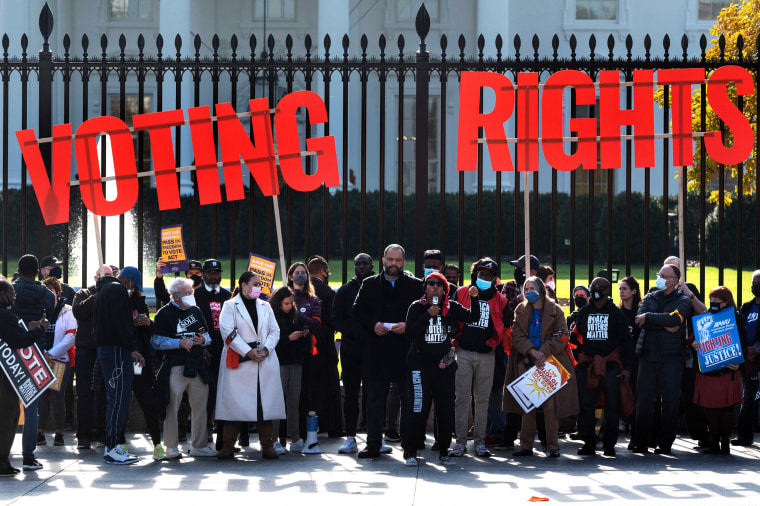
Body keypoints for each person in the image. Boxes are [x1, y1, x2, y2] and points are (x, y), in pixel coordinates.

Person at [353, 244, 423, 459]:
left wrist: (408, 326)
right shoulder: (369, 284)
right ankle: (373, 444)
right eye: (390, 260)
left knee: (409, 399)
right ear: (383, 261)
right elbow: (357, 311)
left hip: (405, 351)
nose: (394, 264)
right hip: (377, 350)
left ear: (404, 262)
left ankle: (409, 446)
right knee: (373, 398)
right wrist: (373, 324)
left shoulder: (415, 285)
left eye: (398, 260)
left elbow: (425, 314)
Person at [404, 272, 481, 466]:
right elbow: (410, 332)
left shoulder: (451, 307)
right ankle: (411, 451)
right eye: (431, 284)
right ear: (425, 288)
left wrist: (475, 298)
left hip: (444, 366)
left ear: (445, 289)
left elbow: (473, 317)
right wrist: (426, 316)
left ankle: (444, 451)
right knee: (418, 406)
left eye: (439, 284)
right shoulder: (416, 306)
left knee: (445, 408)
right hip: (419, 366)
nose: (435, 287)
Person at [504, 276, 578, 458]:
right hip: (527, 360)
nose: (528, 292)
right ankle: (526, 446)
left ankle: (552, 446)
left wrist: (543, 352)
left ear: (541, 289)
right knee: (527, 406)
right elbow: (516, 335)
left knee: (550, 406)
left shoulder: (555, 309)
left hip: (549, 363)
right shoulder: (520, 309)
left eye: (532, 288)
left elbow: (562, 335)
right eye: (526, 289)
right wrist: (532, 352)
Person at [216, 272, 285, 460]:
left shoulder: (265, 306)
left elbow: (274, 331)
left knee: (264, 403)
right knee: (234, 403)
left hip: (264, 360)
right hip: (240, 361)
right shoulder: (230, 306)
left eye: (260, 284)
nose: (259, 287)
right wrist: (248, 351)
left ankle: (267, 444)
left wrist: (266, 349)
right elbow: (227, 332)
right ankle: (228, 445)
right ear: (244, 285)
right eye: (255, 284)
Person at [151, 277, 216, 460]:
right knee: (172, 406)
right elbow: (156, 341)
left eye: (192, 292)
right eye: (188, 293)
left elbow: (208, 335)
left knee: (200, 406)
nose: (191, 296)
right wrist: (178, 342)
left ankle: (199, 445)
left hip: (197, 365)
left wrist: (203, 340)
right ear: (176, 296)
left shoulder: (196, 311)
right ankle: (171, 446)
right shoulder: (164, 314)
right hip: (175, 365)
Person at [631, 264, 692, 454]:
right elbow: (639, 320)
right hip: (648, 357)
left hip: (671, 359)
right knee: (644, 402)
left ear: (675, 281)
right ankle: (641, 442)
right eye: (660, 274)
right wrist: (661, 321)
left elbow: (675, 320)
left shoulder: (683, 300)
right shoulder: (650, 297)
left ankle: (665, 443)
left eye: (665, 276)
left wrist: (650, 318)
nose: (660, 278)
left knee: (670, 402)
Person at [450, 258, 507, 458]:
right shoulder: (461, 292)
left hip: (487, 354)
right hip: (464, 352)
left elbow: (506, 324)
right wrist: (456, 337)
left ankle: (480, 442)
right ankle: (460, 442)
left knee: (482, 400)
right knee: (462, 398)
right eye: (482, 274)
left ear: (494, 279)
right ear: (475, 274)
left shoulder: (500, 299)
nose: (484, 278)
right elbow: (452, 317)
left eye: (489, 276)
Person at [572, 277, 634, 457]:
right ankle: (589, 443)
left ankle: (609, 445)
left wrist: (627, 369)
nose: (596, 291)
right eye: (594, 287)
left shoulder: (616, 314)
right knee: (587, 406)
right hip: (588, 366)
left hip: (611, 366)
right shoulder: (583, 313)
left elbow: (626, 344)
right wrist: (580, 363)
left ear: (607, 291)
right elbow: (575, 340)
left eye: (600, 288)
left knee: (612, 407)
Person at [92, 267, 146, 464]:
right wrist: (132, 348)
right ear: (129, 281)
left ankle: (111, 446)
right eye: (133, 286)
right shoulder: (117, 290)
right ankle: (113, 447)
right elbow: (120, 323)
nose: (133, 290)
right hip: (116, 350)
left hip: (108, 349)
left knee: (115, 398)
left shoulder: (104, 289)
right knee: (119, 398)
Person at [0, 279, 49, 476]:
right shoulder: (4, 315)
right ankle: (2, 463)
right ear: (2, 294)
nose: (14, 296)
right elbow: (20, 341)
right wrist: (40, 329)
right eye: (11, 293)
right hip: (5, 377)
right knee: (7, 418)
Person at [12, 254, 55, 471]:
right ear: (37, 272)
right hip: (33, 352)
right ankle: (28, 457)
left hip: (9, 352)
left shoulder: (11, 290)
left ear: (19, 271)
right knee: (31, 407)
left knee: (6, 405)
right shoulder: (45, 293)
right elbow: (53, 312)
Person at [693, 287, 747, 455]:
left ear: (727, 302)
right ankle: (714, 443)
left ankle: (725, 443)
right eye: (712, 300)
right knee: (710, 407)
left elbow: (743, 342)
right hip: (709, 371)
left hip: (727, 370)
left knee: (726, 408)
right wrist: (696, 345)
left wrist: (739, 363)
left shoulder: (736, 318)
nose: (714, 303)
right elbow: (700, 340)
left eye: (718, 301)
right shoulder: (704, 319)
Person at [119, 267, 165, 460]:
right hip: (121, 357)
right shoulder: (114, 300)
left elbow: (150, 332)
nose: (130, 288)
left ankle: (157, 443)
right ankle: (119, 442)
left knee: (146, 399)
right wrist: (131, 324)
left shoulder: (140, 302)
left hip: (139, 360)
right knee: (120, 401)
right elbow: (115, 328)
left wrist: (147, 324)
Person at [332, 253, 375, 454]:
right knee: (350, 395)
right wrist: (351, 332)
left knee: (373, 394)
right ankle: (350, 437)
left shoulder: (378, 287)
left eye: (364, 263)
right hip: (350, 350)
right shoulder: (345, 290)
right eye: (357, 264)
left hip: (373, 349)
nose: (361, 267)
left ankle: (375, 437)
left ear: (372, 265)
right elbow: (335, 318)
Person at [72, 265, 113, 450]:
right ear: (95, 277)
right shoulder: (83, 293)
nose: (105, 279)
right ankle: (83, 435)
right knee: (84, 394)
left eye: (110, 276)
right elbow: (79, 312)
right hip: (85, 350)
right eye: (102, 276)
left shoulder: (114, 295)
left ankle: (105, 433)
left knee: (105, 394)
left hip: (105, 349)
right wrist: (97, 294)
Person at [194, 259, 232, 446]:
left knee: (224, 390)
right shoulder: (196, 295)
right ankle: (206, 428)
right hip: (203, 350)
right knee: (205, 391)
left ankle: (223, 432)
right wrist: (201, 348)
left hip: (224, 349)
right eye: (210, 273)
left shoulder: (227, 295)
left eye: (217, 273)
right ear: (203, 274)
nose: (214, 276)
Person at [37, 277, 76, 447]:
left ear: (58, 293)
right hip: (40, 359)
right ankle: (39, 432)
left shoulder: (68, 311)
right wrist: (43, 353)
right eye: (46, 290)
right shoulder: (38, 309)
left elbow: (70, 337)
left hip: (60, 360)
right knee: (42, 397)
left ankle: (59, 433)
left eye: (51, 290)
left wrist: (51, 354)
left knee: (57, 396)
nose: (49, 294)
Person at [270, 286, 310, 455]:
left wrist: (304, 333)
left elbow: (305, 324)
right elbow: (270, 341)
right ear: (278, 303)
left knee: (294, 399)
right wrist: (288, 338)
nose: (289, 306)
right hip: (279, 362)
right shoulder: (271, 317)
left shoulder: (295, 316)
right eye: (286, 303)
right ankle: (273, 438)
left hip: (295, 361)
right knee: (276, 400)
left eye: (291, 303)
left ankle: (295, 436)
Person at [287, 261, 322, 448]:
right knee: (285, 393)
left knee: (303, 393)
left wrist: (298, 315)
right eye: (297, 272)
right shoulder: (283, 296)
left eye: (303, 272)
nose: (300, 275)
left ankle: (301, 433)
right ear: (290, 276)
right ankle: (283, 434)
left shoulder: (313, 300)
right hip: (285, 351)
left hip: (305, 351)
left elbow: (316, 324)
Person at [307, 255, 343, 436]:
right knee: (328, 385)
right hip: (325, 344)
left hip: (305, 344)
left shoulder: (300, 292)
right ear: (322, 271)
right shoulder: (329, 293)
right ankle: (330, 425)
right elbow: (335, 321)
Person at [735, 269, 760, 446]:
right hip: (748, 360)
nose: (756, 287)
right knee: (748, 398)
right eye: (754, 283)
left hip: (757, 356)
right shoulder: (747, 307)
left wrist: (757, 349)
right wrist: (746, 351)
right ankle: (744, 436)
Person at [618, 276, 642, 443]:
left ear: (634, 291)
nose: (621, 292)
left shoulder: (639, 313)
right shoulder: (617, 313)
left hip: (637, 360)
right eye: (620, 289)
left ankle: (636, 434)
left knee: (635, 396)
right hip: (619, 360)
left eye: (625, 289)